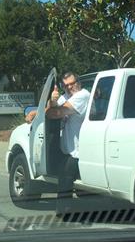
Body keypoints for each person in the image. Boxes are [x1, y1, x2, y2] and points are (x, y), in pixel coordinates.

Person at [25, 72, 90, 215]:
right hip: (67, 149)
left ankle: (64, 213)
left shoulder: (83, 95)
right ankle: (64, 210)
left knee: (65, 179)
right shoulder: (68, 97)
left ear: (78, 82)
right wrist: (46, 105)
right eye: (66, 85)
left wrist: (50, 107)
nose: (69, 87)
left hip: (78, 152)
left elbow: (55, 113)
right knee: (63, 179)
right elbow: (51, 108)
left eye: (72, 83)